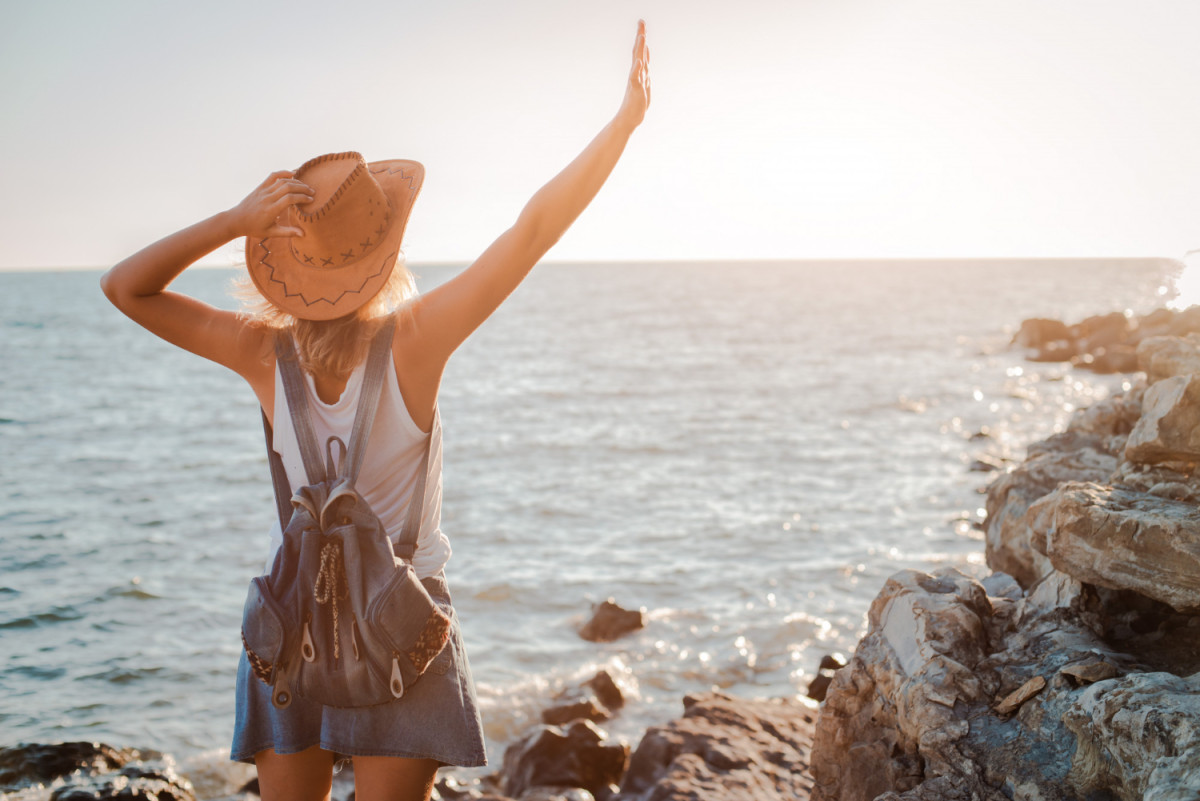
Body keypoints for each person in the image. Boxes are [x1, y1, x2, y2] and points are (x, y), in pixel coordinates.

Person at [100, 21, 650, 801]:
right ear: (385, 247)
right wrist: (623, 123)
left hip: (289, 635)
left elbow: (126, 287)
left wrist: (233, 221)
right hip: (402, 632)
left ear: (287, 261)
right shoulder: (416, 341)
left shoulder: (262, 354)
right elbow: (530, 231)